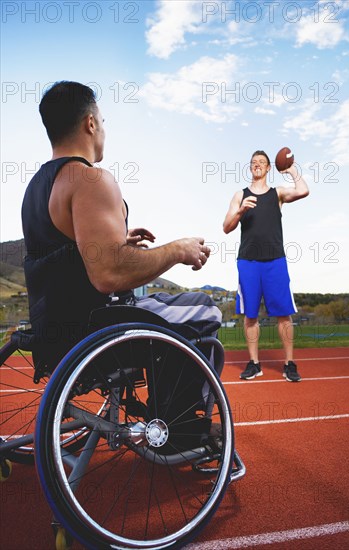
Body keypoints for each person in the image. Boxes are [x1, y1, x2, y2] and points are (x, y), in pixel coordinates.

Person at [21, 81, 221, 373]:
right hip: (97, 326)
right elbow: (109, 274)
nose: (103, 130)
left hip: (53, 330)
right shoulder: (91, 179)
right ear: (90, 123)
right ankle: (183, 417)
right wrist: (179, 249)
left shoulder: (36, 188)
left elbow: (63, 253)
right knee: (205, 308)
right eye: (102, 122)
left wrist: (117, 240)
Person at [223, 150, 309, 382]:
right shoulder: (239, 195)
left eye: (262, 162)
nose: (257, 165)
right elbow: (226, 227)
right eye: (254, 162)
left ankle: (289, 364)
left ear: (268, 168)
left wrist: (290, 169)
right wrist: (241, 210)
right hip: (248, 262)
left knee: (283, 315)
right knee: (250, 316)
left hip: (274, 261)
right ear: (250, 167)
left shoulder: (277, 193)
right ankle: (254, 364)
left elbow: (303, 190)